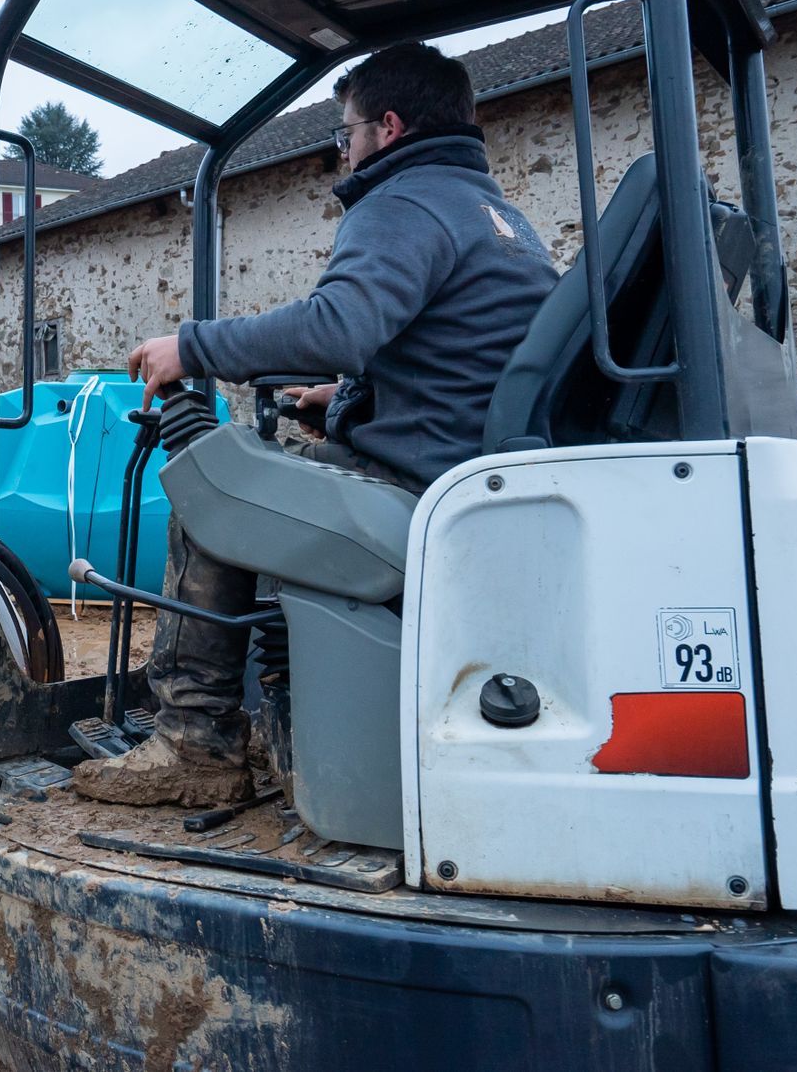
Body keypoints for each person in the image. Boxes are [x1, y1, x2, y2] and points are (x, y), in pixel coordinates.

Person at [74, 41, 559, 808]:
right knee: (270, 469)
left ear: (388, 128)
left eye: (347, 133)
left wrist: (192, 345)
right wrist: (344, 401)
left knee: (214, 489)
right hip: (470, 477)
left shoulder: (403, 201)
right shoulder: (496, 215)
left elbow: (339, 324)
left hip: (420, 492)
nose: (345, 150)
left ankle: (195, 742)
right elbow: (462, 362)